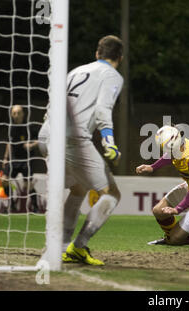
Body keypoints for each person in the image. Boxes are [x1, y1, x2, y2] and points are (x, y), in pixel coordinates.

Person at [38, 35, 124, 265]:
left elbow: (53, 102)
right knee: (112, 193)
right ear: (120, 58)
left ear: (97, 53)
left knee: (78, 188)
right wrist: (109, 142)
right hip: (72, 140)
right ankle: (78, 246)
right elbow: (103, 110)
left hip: (47, 135)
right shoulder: (112, 75)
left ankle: (61, 247)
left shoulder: (76, 71)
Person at [1, 105, 39, 212]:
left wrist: (31, 145)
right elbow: (9, 143)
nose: (16, 115)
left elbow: (40, 140)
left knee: (28, 185)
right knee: (4, 180)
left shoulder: (30, 127)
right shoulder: (11, 128)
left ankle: (35, 206)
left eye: (18, 113)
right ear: (11, 115)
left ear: (23, 113)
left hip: (26, 160)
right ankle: (11, 205)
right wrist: (5, 157)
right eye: (14, 113)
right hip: (13, 160)